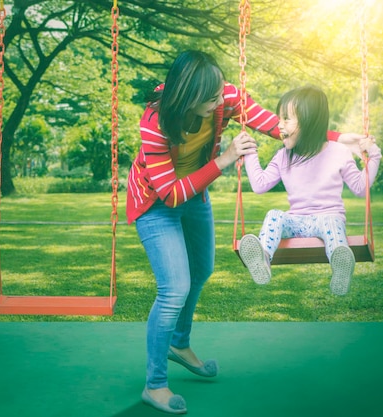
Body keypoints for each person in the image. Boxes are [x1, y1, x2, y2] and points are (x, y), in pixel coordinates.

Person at [126, 50, 365, 415]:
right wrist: (224, 160)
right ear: (189, 97)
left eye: (221, 94)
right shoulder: (155, 121)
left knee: (201, 270)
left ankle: (179, 343)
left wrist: (336, 137)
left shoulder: (225, 95)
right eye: (212, 99)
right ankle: (155, 384)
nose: (222, 102)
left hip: (195, 193)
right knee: (174, 288)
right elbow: (170, 194)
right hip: (158, 201)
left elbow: (273, 124)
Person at [239, 85, 381, 296]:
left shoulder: (339, 152)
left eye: (286, 119)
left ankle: (340, 266)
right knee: (274, 216)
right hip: (296, 221)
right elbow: (259, 185)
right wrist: (249, 153)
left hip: (328, 218)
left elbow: (360, 188)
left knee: (332, 223)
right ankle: (263, 259)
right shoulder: (283, 156)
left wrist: (374, 157)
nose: (279, 125)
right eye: (279, 119)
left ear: (309, 121)